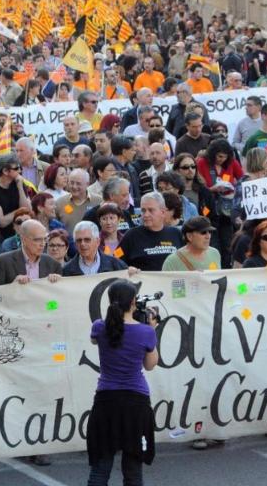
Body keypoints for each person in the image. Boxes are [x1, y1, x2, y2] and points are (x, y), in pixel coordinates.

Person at [86, 280, 158, 486]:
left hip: (106, 399)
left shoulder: (99, 327)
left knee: (100, 470)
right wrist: (151, 329)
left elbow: (95, 339)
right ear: (134, 301)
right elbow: (151, 364)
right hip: (136, 401)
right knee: (133, 471)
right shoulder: (146, 332)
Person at [118, 192, 183, 270]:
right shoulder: (131, 235)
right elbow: (116, 258)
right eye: (143, 210)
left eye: (151, 210)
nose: (146, 214)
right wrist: (128, 269)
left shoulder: (176, 233)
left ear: (162, 212)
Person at [0, 218, 62, 286]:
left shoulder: (53, 264)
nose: (42, 244)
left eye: (45, 239)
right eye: (37, 239)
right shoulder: (3, 262)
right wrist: (12, 286)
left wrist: (59, 283)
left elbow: (58, 298)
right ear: (23, 239)